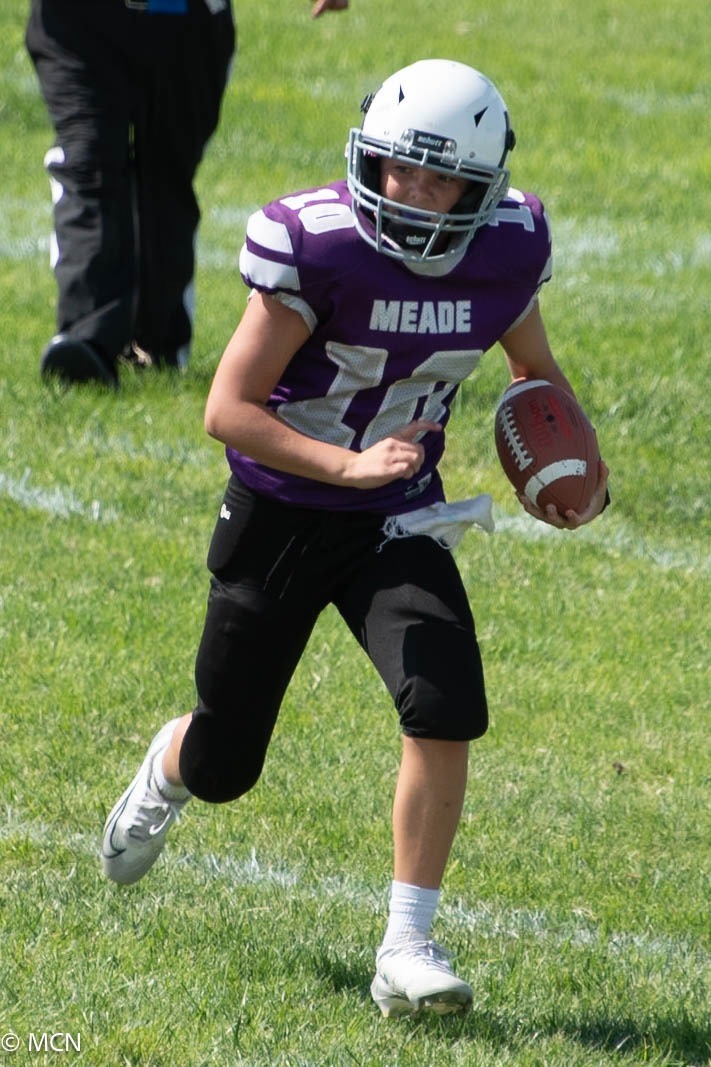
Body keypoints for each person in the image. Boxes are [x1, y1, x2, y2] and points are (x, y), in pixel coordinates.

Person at [100, 58, 609, 1016]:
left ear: (482, 185)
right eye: (396, 168)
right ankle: (170, 764)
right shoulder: (318, 245)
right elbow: (227, 408)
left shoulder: (506, 249)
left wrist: (568, 464)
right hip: (282, 511)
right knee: (226, 763)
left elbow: (534, 372)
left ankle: (406, 945)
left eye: (438, 178)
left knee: (444, 700)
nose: (410, 192)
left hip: (397, 515)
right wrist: (345, 466)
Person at [25, 0, 350, 389]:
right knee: (87, 162)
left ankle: (158, 345)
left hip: (184, 19)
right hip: (79, 19)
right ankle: (87, 343)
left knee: (167, 179)